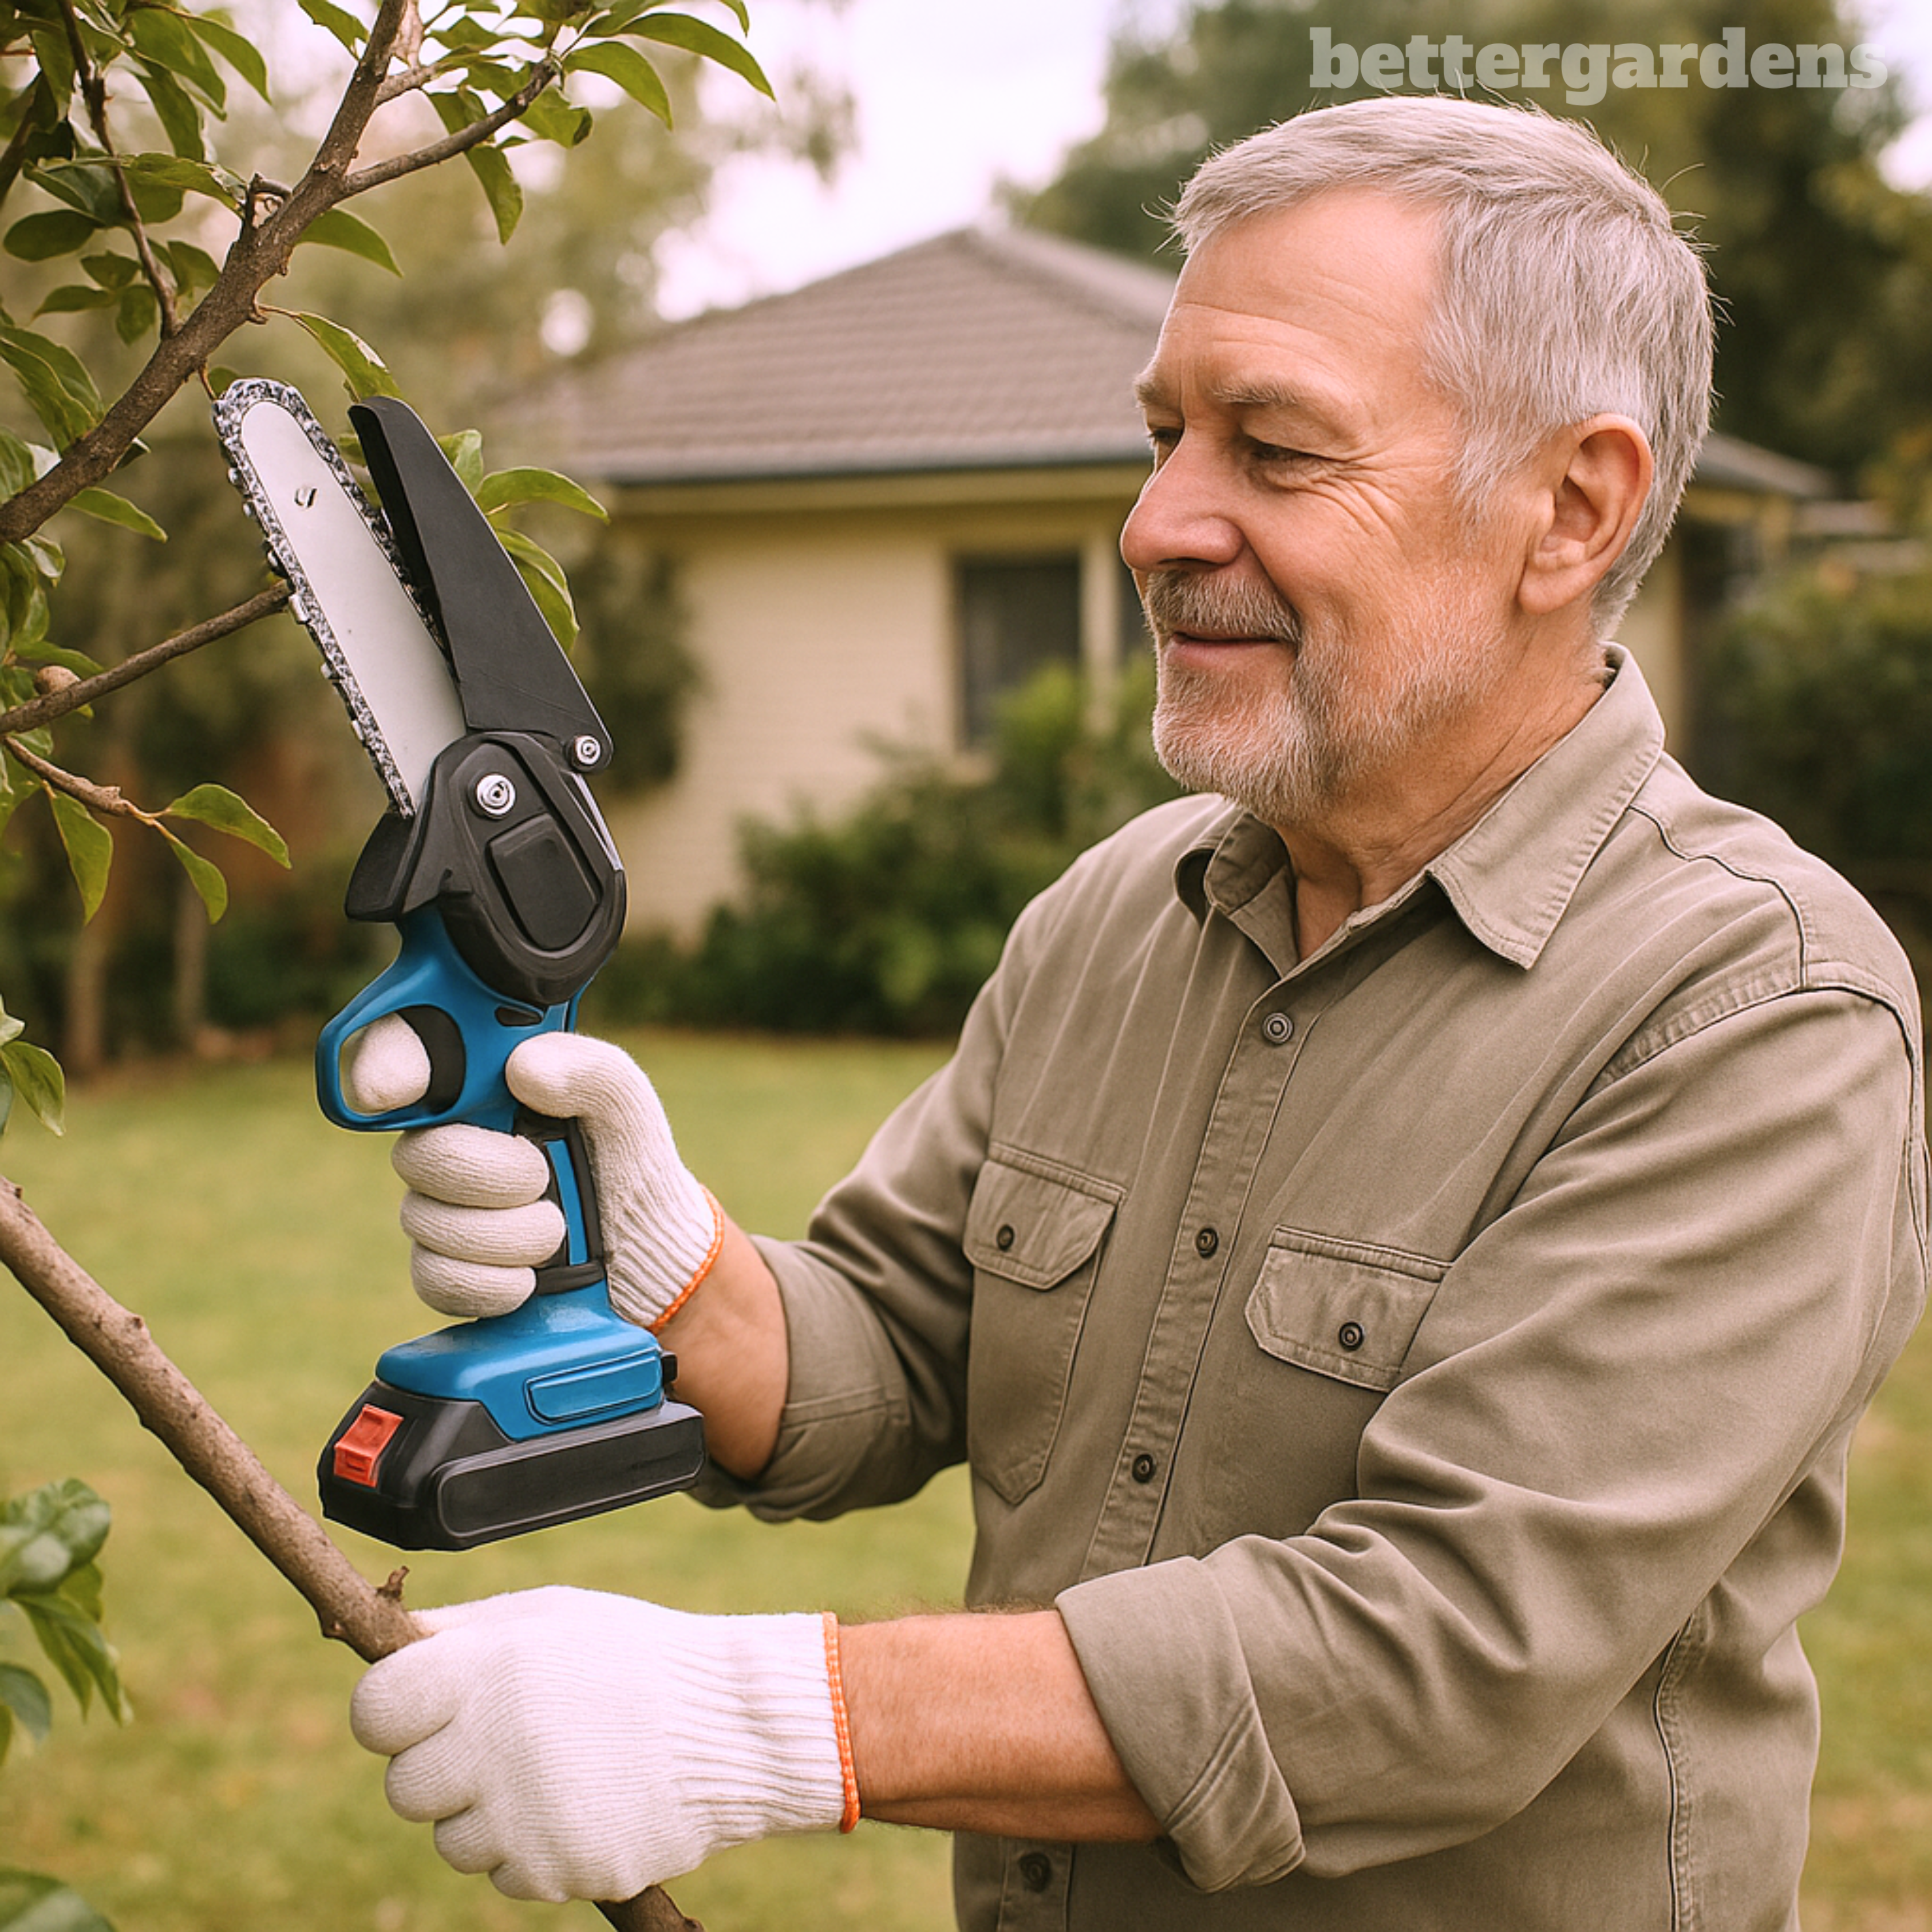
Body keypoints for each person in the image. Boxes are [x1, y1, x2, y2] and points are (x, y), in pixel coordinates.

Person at [344, 96, 1927, 1930]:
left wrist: (766, 1711)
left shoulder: (1753, 1013)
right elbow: (894, 1350)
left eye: (1272, 448)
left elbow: (1442, 1654)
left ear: (1569, 506)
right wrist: (668, 1267)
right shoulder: (1123, 909)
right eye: (1166, 434)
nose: (1160, 521)